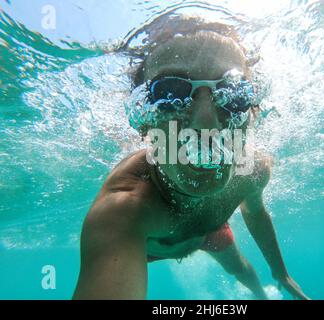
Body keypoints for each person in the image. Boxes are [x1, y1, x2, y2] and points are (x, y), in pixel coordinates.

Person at [73, 14, 309, 300]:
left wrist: (280, 273)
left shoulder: (253, 171)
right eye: (170, 93)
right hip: (153, 250)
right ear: (142, 120)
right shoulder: (125, 209)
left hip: (209, 234)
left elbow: (255, 212)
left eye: (233, 93)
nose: (206, 125)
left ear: (252, 112)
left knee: (243, 271)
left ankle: (261, 295)